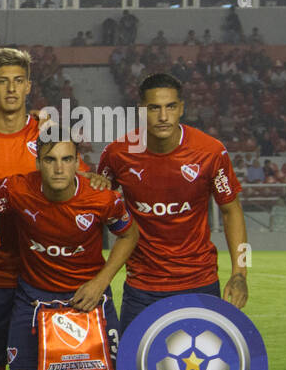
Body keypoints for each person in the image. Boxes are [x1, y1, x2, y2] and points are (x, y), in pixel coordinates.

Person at [0, 47, 108, 370]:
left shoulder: (48, 137)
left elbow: (79, 184)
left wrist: (94, 178)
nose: (11, 89)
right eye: (2, 81)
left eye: (18, 81)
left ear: (28, 87)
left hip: (42, 282)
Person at [98, 73, 247, 333]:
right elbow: (94, 206)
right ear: (141, 110)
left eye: (170, 107)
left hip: (199, 281)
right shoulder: (117, 154)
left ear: (181, 108)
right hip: (142, 286)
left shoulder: (211, 152)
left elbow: (231, 211)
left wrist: (241, 273)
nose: (163, 116)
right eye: (154, 108)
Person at [0, 138, 137, 370]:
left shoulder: (102, 197)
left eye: (66, 159)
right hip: (33, 298)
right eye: (50, 160)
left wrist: (101, 282)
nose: (59, 168)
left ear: (76, 163)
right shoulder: (14, 189)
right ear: (38, 163)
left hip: (89, 296)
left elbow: (129, 234)